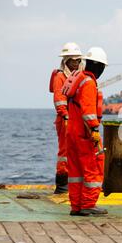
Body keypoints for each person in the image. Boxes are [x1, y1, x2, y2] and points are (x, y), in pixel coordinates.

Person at [62, 47, 107, 216]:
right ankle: (88, 204)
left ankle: (76, 206)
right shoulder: (88, 83)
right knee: (93, 168)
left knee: (75, 172)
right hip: (84, 133)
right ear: (98, 66)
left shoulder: (78, 79)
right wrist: (95, 129)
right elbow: (88, 111)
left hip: (71, 132)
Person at [49, 42, 83, 194]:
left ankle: (75, 183)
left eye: (77, 60)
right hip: (65, 119)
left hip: (77, 119)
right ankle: (62, 184)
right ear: (66, 61)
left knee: (78, 151)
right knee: (65, 152)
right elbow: (59, 99)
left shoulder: (79, 77)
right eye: (72, 60)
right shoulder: (60, 77)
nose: (75, 63)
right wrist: (66, 116)